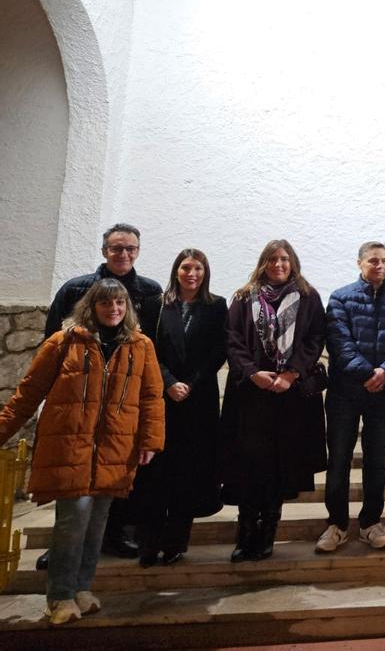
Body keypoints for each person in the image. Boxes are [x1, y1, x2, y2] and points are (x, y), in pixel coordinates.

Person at [0, 279, 164, 625]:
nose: (114, 310)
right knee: (72, 523)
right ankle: (60, 595)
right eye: (106, 303)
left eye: (119, 304)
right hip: (70, 445)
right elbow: (28, 393)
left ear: (127, 308)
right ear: (92, 306)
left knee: (96, 524)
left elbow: (151, 397)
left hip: (114, 448)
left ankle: (82, 588)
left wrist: (150, 441)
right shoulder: (63, 342)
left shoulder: (141, 346)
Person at [43, 223, 163, 560]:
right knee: (72, 477)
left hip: (125, 397)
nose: (123, 255)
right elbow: (51, 341)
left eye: (130, 249)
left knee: (117, 471)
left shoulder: (151, 292)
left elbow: (155, 344)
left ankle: (115, 536)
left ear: (138, 251)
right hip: (81, 398)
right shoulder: (75, 288)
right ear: (104, 251)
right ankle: (62, 547)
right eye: (116, 248)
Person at [221, 239, 327, 563]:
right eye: (272, 260)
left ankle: (267, 532)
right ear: (263, 263)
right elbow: (232, 339)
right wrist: (252, 372)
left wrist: (291, 374)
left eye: (284, 259)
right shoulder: (242, 297)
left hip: (288, 397)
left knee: (277, 468)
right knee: (248, 466)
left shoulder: (308, 298)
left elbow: (314, 339)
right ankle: (245, 534)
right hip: (251, 395)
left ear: (292, 261)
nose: (278, 265)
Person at [130, 249, 226, 568]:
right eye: (186, 267)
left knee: (189, 471)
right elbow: (147, 348)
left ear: (205, 272)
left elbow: (217, 352)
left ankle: (175, 542)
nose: (191, 274)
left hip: (198, 401)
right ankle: (149, 542)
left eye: (198, 268)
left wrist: (191, 384)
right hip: (161, 396)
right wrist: (169, 381)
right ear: (177, 270)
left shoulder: (216, 306)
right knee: (155, 472)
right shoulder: (157, 304)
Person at [316, 242, 385, 554]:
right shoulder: (340, 297)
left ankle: (371, 523)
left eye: (384, 260)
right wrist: (368, 372)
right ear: (359, 263)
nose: (379, 265)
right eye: (373, 260)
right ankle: (337, 525)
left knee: (375, 462)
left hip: (381, 395)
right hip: (345, 393)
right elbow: (339, 342)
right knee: (339, 460)